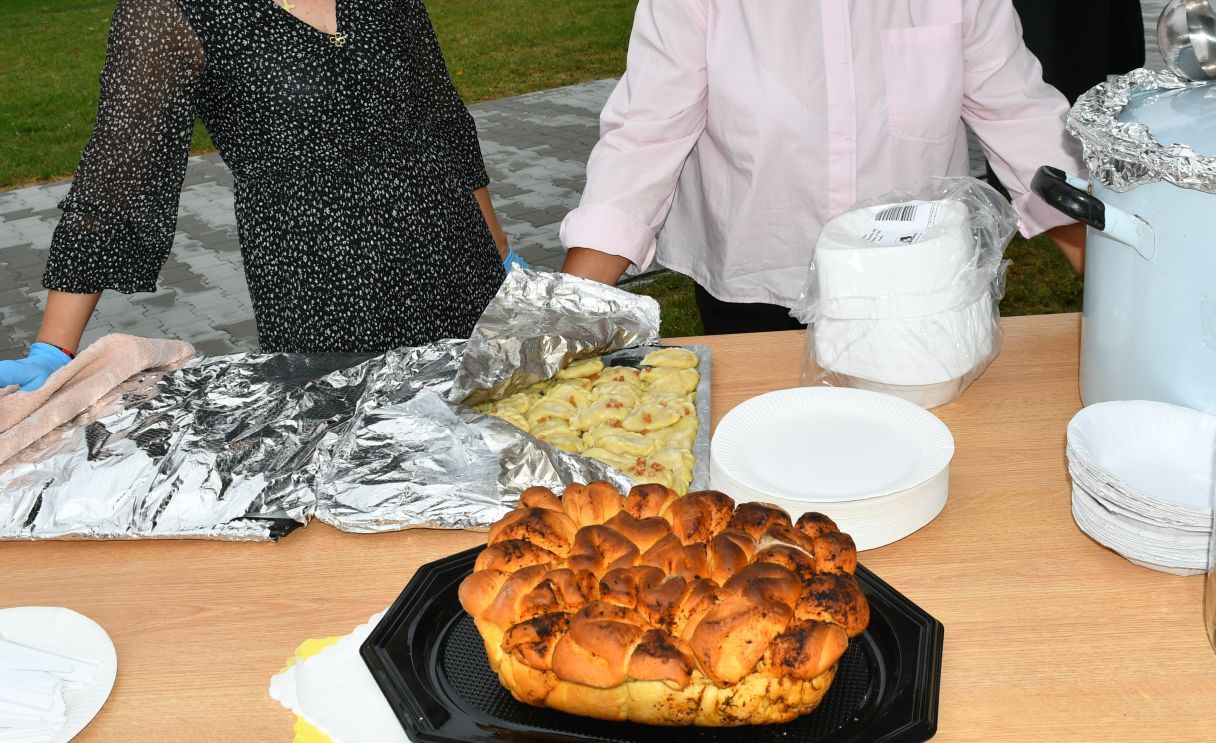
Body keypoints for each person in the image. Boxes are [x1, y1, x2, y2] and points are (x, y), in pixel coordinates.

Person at [0, 0, 522, 393]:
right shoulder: (170, 9)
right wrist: (54, 346)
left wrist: (499, 251)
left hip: (458, 261)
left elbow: (444, 120)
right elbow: (119, 176)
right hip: (325, 292)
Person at [560, 0, 1089, 334]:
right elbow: (646, 136)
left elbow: (1022, 120)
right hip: (754, 281)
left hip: (916, 285)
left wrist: (1114, 271)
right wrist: (569, 315)